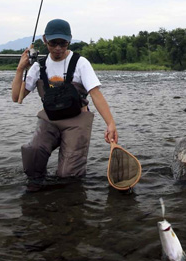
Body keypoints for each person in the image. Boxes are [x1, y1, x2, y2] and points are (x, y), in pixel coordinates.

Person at [12, 19, 118, 192]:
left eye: (63, 43)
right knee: (33, 152)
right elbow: (17, 97)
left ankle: (68, 202)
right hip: (50, 119)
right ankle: (36, 190)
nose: (58, 48)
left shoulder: (80, 63)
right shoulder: (38, 66)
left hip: (77, 119)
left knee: (68, 175)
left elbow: (96, 94)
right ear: (45, 40)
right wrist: (20, 69)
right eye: (54, 43)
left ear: (69, 40)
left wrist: (110, 124)